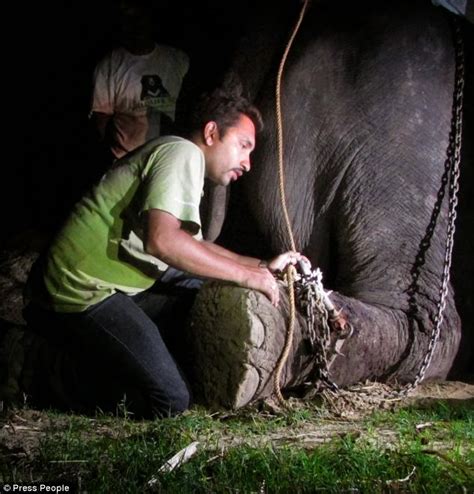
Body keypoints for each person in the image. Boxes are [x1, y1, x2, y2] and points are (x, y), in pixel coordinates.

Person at [23, 85, 306, 419]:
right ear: (212, 133)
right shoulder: (180, 153)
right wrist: (246, 275)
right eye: (244, 146)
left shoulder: (183, 162)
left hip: (112, 283)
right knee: (169, 399)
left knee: (199, 288)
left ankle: (112, 355)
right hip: (81, 289)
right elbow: (163, 241)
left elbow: (197, 248)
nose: (248, 162)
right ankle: (34, 366)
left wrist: (261, 265)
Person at [90, 0, 189, 160]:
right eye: (128, 19)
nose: (135, 25)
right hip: (126, 159)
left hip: (167, 156)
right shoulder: (110, 65)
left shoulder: (177, 60)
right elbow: (101, 120)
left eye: (139, 17)